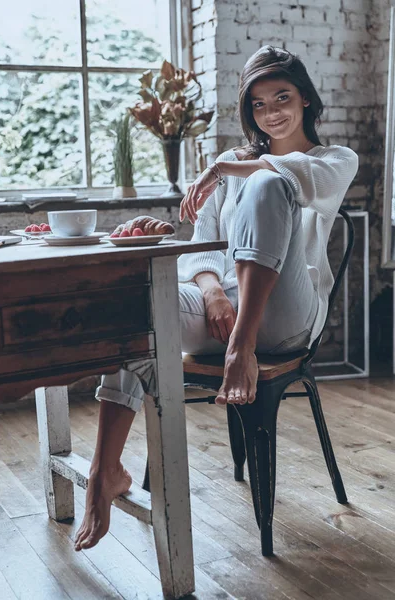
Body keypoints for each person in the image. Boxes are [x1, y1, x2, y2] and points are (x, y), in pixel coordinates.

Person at [74, 45, 359, 551]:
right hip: (223, 311)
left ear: (308, 101)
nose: (272, 112)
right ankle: (105, 471)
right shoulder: (232, 163)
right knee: (139, 312)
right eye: (258, 104)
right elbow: (196, 250)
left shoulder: (335, 160)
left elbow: (290, 172)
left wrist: (222, 171)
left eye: (283, 98)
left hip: (287, 318)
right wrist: (210, 295)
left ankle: (241, 349)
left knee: (269, 184)